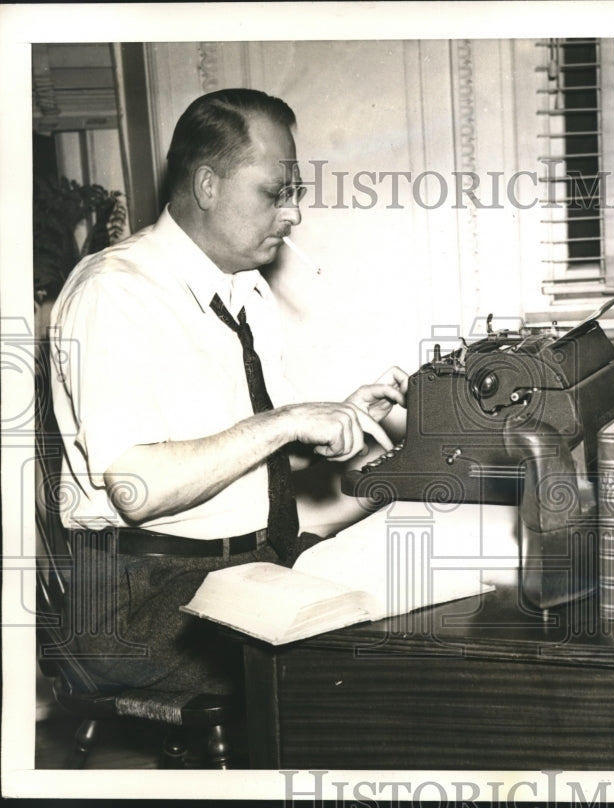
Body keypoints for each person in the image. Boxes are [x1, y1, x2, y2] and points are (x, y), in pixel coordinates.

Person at [48, 88, 406, 694]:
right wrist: (288, 420)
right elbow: (136, 490)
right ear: (208, 186)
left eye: (294, 194)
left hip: (243, 567)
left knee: (408, 620)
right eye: (275, 193)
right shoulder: (115, 292)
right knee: (351, 675)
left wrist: (338, 419)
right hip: (141, 598)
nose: (293, 215)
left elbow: (258, 453)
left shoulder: (244, 290)